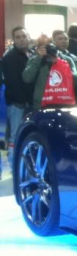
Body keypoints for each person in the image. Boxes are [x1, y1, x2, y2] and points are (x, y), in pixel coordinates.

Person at [1, 26, 35, 164]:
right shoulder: (9, 58)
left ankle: (27, 166)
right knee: (15, 136)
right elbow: (13, 83)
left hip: (31, 103)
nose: (21, 40)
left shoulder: (33, 54)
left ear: (29, 37)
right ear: (13, 40)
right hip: (18, 104)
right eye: (18, 37)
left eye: (24, 36)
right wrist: (23, 101)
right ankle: (14, 165)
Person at [22, 37, 77, 110]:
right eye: (45, 47)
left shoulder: (67, 60)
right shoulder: (34, 60)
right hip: (41, 104)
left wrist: (61, 64)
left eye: (51, 46)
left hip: (63, 103)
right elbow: (27, 78)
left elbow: (75, 80)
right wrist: (39, 59)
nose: (49, 49)